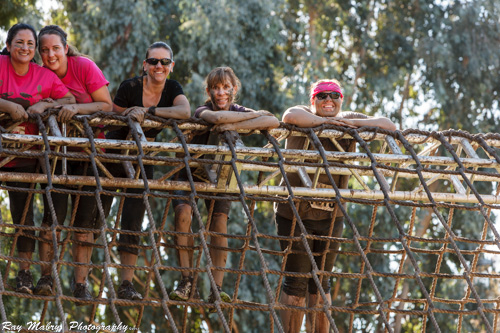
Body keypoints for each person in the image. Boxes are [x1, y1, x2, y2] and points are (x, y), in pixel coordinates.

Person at [275, 79, 396, 332]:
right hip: (295, 211)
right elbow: (289, 115)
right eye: (321, 96)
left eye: (334, 95)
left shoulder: (347, 117)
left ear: (342, 99)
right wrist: (327, 123)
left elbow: (388, 124)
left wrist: (349, 124)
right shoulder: (304, 114)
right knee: (296, 282)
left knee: (321, 283)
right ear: (313, 100)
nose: (328, 100)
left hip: (331, 214)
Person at [169, 67, 279, 308]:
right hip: (190, 171)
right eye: (216, 88)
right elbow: (217, 119)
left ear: (234, 89)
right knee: (183, 214)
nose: (221, 93)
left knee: (219, 222)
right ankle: (187, 280)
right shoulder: (202, 110)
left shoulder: (236, 109)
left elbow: (272, 119)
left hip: (219, 175)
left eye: (226, 87)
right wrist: (247, 121)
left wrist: (236, 121)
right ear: (208, 91)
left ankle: (216, 288)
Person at [106, 41, 190, 300]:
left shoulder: (173, 88)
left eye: (164, 62)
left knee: (133, 219)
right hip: (113, 155)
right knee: (95, 213)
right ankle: (80, 281)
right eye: (153, 61)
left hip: (144, 158)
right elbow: (114, 115)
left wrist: (149, 112)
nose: (159, 66)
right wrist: (132, 114)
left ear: (171, 66)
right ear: (145, 65)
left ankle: (127, 284)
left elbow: (184, 111)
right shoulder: (130, 87)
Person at [35, 25, 113, 302]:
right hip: (56, 153)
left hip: (91, 151)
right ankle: (46, 277)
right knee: (52, 217)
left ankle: (81, 284)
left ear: (65, 48)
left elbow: (106, 105)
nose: (50, 54)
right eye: (44, 50)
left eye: (55, 48)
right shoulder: (39, 74)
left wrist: (77, 108)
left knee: (84, 223)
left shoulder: (83, 67)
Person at [0, 23, 74, 295]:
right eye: (19, 43)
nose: (25, 48)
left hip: (43, 154)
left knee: (53, 216)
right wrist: (6, 105)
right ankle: (23, 275)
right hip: (11, 155)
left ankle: (47, 277)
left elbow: (67, 97)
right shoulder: (0, 65)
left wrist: (44, 104)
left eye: (30, 44)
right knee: (22, 217)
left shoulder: (42, 74)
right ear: (8, 46)